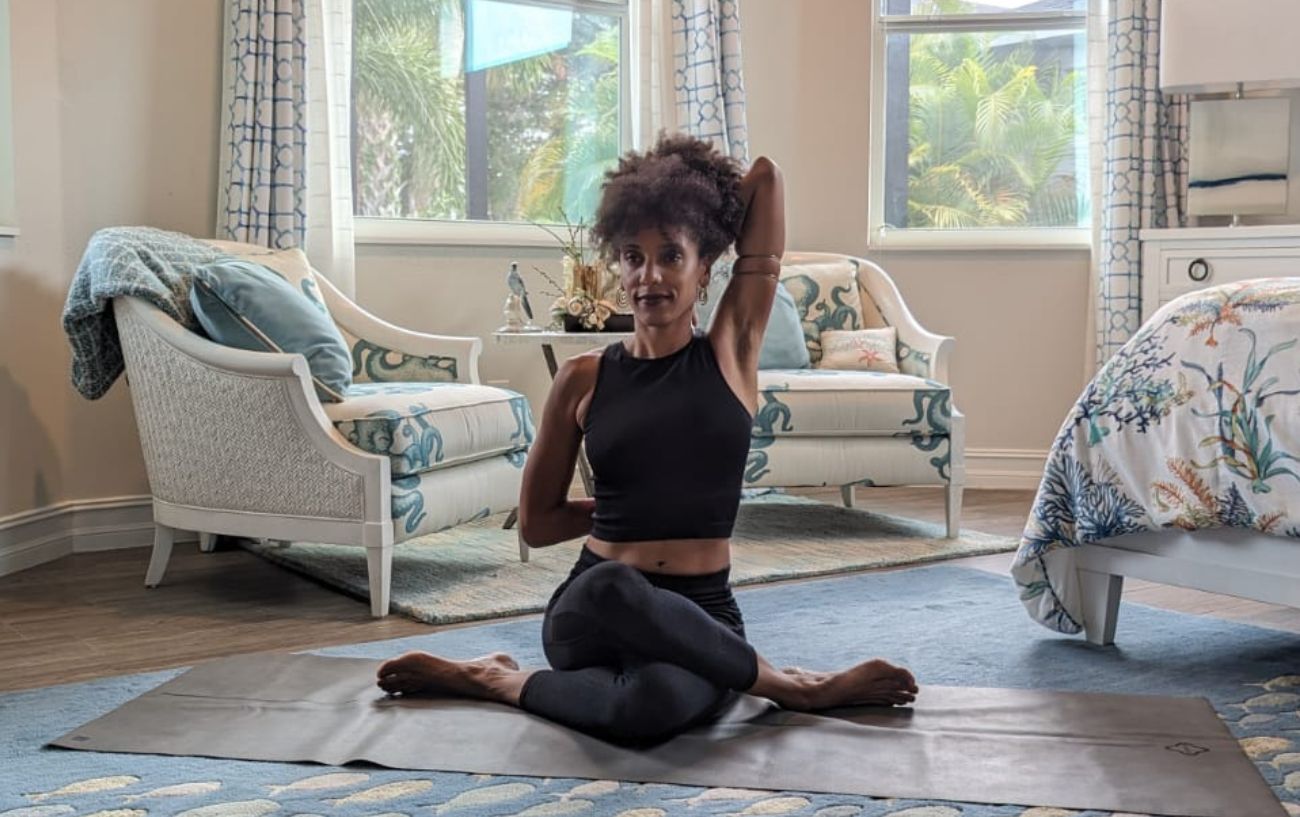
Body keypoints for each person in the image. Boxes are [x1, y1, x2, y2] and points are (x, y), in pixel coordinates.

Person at [376, 134, 918, 746]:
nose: (650, 275)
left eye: (671, 255)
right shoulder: (583, 377)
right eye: (633, 256)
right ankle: (795, 687)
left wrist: (700, 213)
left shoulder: (729, 353)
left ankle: (494, 679)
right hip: (594, 612)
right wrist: (621, 516)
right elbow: (536, 524)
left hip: (702, 612)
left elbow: (766, 178)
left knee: (650, 709)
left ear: (704, 267)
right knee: (611, 584)